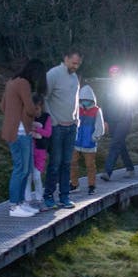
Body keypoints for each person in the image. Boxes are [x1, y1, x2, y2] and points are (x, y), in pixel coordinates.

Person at [0, 58, 46, 218]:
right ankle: (14, 206)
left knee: (23, 170)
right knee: (21, 169)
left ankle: (20, 203)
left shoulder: (11, 82)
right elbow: (30, 108)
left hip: (12, 131)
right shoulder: (24, 84)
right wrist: (34, 112)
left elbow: (3, 106)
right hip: (20, 132)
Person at [42, 50, 82, 210]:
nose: (75, 66)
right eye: (73, 62)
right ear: (65, 59)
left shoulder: (74, 77)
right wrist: (52, 120)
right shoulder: (53, 74)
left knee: (67, 163)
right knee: (55, 163)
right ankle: (48, 196)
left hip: (71, 126)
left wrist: (77, 119)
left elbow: (75, 100)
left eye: (78, 63)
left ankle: (64, 196)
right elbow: (44, 97)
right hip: (57, 127)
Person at [100, 65, 136, 181]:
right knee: (120, 144)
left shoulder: (127, 86)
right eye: (112, 73)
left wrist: (131, 113)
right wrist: (104, 120)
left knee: (115, 143)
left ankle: (107, 171)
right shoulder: (107, 88)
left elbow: (132, 102)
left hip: (124, 119)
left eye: (117, 73)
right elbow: (104, 105)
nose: (115, 75)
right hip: (111, 119)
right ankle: (130, 168)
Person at [74, 84, 105, 195]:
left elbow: (100, 126)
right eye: (83, 99)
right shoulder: (76, 108)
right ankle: (74, 184)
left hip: (90, 143)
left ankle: (92, 186)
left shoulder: (96, 110)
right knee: (72, 163)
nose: (85, 102)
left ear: (92, 99)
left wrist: (95, 137)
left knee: (90, 166)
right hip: (76, 142)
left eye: (87, 100)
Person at [24, 94, 52, 205]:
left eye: (37, 108)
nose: (35, 111)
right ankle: (27, 198)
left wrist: (37, 129)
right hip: (29, 149)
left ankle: (39, 197)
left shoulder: (46, 117)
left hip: (40, 150)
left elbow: (48, 133)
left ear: (41, 106)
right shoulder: (27, 117)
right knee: (28, 175)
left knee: (36, 175)